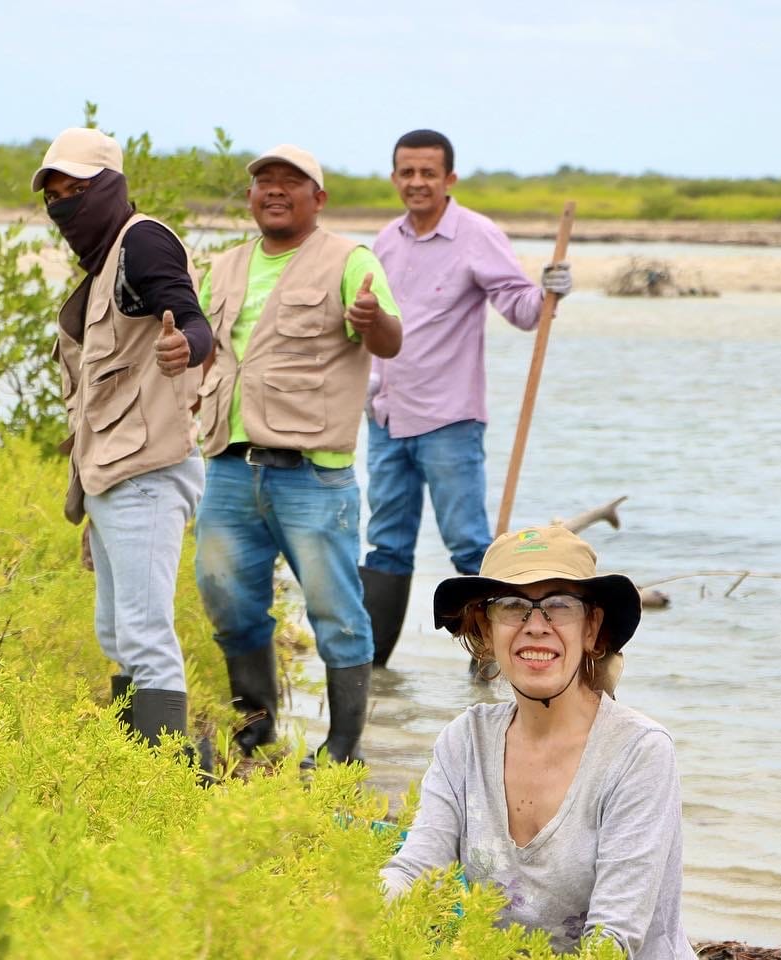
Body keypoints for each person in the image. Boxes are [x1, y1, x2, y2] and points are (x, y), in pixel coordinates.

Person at [381, 525, 696, 959]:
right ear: (485, 631)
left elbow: (614, 938)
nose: (535, 626)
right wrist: (345, 917)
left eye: (559, 606)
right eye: (512, 606)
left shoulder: (638, 752)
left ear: (592, 629)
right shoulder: (465, 741)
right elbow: (416, 870)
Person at [194, 144, 402, 765]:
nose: (275, 191)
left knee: (335, 612)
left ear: (319, 199)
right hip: (229, 468)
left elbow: (390, 339)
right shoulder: (223, 267)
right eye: (264, 182)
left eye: (292, 182)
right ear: (252, 196)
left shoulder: (350, 260)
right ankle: (256, 732)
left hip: (313, 477)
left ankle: (343, 748)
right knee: (227, 601)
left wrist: (370, 319)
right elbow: (203, 352)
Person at [362, 129, 573, 668]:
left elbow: (524, 311)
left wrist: (551, 287)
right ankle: (372, 673)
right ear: (394, 178)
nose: (417, 182)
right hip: (387, 415)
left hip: (450, 420)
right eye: (406, 172)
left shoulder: (476, 234)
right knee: (385, 545)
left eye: (428, 172)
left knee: (467, 546)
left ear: (448, 178)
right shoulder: (385, 240)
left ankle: (493, 668)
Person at [34, 127, 212, 752]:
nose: (64, 205)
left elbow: (191, 318)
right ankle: (135, 770)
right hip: (115, 481)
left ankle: (163, 781)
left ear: (111, 187)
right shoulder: (102, 264)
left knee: (144, 634)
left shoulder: (143, 241)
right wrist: (93, 509)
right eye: (54, 194)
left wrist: (184, 345)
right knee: (117, 634)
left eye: (78, 189)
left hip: (149, 473)